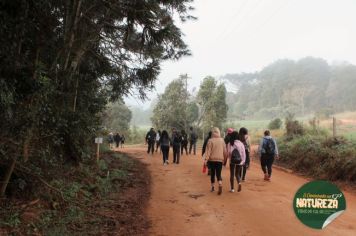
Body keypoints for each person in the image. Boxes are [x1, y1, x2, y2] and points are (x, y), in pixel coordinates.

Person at [203, 127, 228, 195]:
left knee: (213, 174)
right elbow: (225, 152)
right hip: (220, 160)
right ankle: (220, 183)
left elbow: (208, 152)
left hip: (212, 160)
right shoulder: (222, 140)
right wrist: (224, 160)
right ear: (219, 132)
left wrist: (206, 160)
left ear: (212, 133)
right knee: (218, 174)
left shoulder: (210, 140)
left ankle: (213, 187)